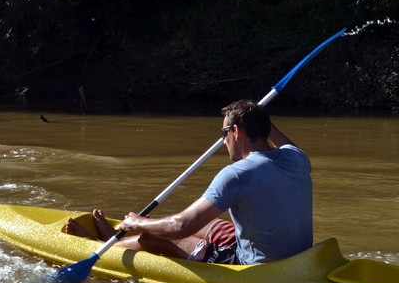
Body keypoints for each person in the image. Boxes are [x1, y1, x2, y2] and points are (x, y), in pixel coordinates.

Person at [63, 99, 313, 265]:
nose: (223, 140)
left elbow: (181, 227)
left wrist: (138, 221)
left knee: (154, 239)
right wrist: (258, 118)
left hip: (254, 265)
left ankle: (99, 245)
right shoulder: (297, 158)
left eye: (223, 133)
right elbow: (283, 142)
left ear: (236, 132)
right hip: (294, 259)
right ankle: (131, 233)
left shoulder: (236, 173)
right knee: (209, 222)